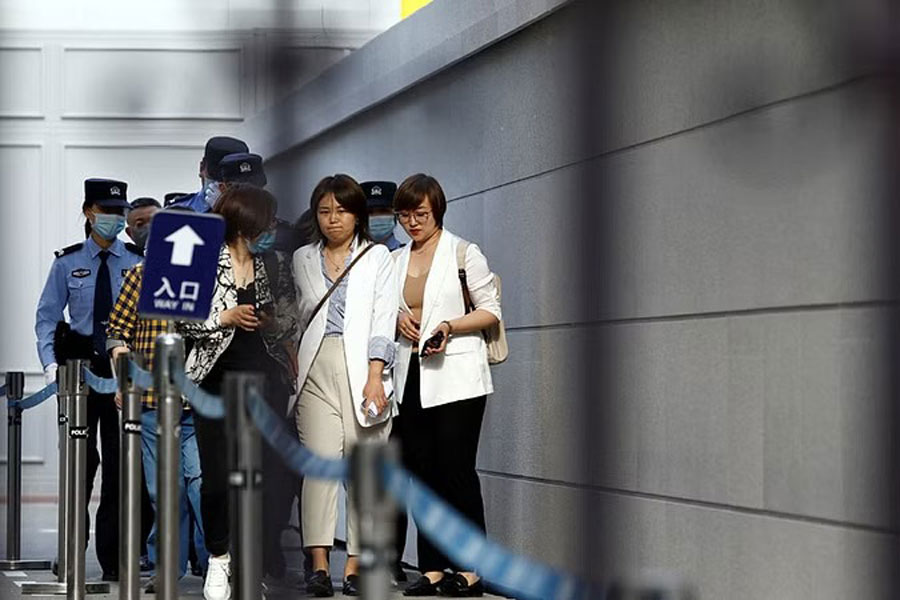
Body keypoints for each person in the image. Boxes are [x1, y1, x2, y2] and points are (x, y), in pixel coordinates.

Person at [178, 183, 298, 600]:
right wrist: (224, 316)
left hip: (265, 380)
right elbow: (181, 319)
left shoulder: (274, 264)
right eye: (263, 222)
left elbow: (289, 317)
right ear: (243, 222)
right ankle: (219, 558)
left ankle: (251, 564)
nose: (269, 230)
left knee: (260, 476)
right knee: (217, 476)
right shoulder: (202, 259)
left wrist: (270, 322)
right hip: (214, 379)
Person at [392, 174, 501, 598]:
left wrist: (448, 326)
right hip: (411, 374)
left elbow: (490, 310)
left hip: (457, 376)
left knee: (456, 472)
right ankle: (433, 568)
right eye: (405, 215)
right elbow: (387, 310)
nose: (412, 223)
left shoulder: (463, 252)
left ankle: (470, 569)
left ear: (437, 209)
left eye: (420, 214)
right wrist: (397, 320)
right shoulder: (396, 259)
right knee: (422, 474)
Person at [292, 174, 397, 597]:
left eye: (342, 211)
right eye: (324, 211)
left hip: (364, 370)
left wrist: (376, 376)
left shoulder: (376, 258)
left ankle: (355, 563)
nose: (333, 220)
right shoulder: (301, 257)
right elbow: (294, 314)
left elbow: (383, 318)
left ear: (358, 215)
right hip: (314, 368)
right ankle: (318, 563)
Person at [34, 178, 143, 581]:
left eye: (120, 212)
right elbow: (47, 317)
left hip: (121, 371)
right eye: (107, 211)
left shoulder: (136, 261)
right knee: (79, 467)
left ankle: (114, 558)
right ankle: (71, 552)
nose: (115, 218)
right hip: (77, 369)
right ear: (88, 212)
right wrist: (50, 365)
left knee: (119, 468)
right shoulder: (66, 263)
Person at [106, 232, 209, 592]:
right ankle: (167, 565)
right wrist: (123, 379)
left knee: (201, 486)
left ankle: (216, 563)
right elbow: (117, 331)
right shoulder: (139, 276)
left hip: (197, 402)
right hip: (151, 400)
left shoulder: (210, 276)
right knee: (164, 490)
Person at [168, 136, 248, 213]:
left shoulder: (254, 214)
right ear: (202, 167)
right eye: (217, 176)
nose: (222, 185)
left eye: (230, 180)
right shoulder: (177, 211)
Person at [361, 180, 404, 251]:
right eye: (369, 212)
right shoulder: (351, 256)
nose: (376, 216)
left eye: (383, 211)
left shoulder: (406, 255)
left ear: (396, 215)